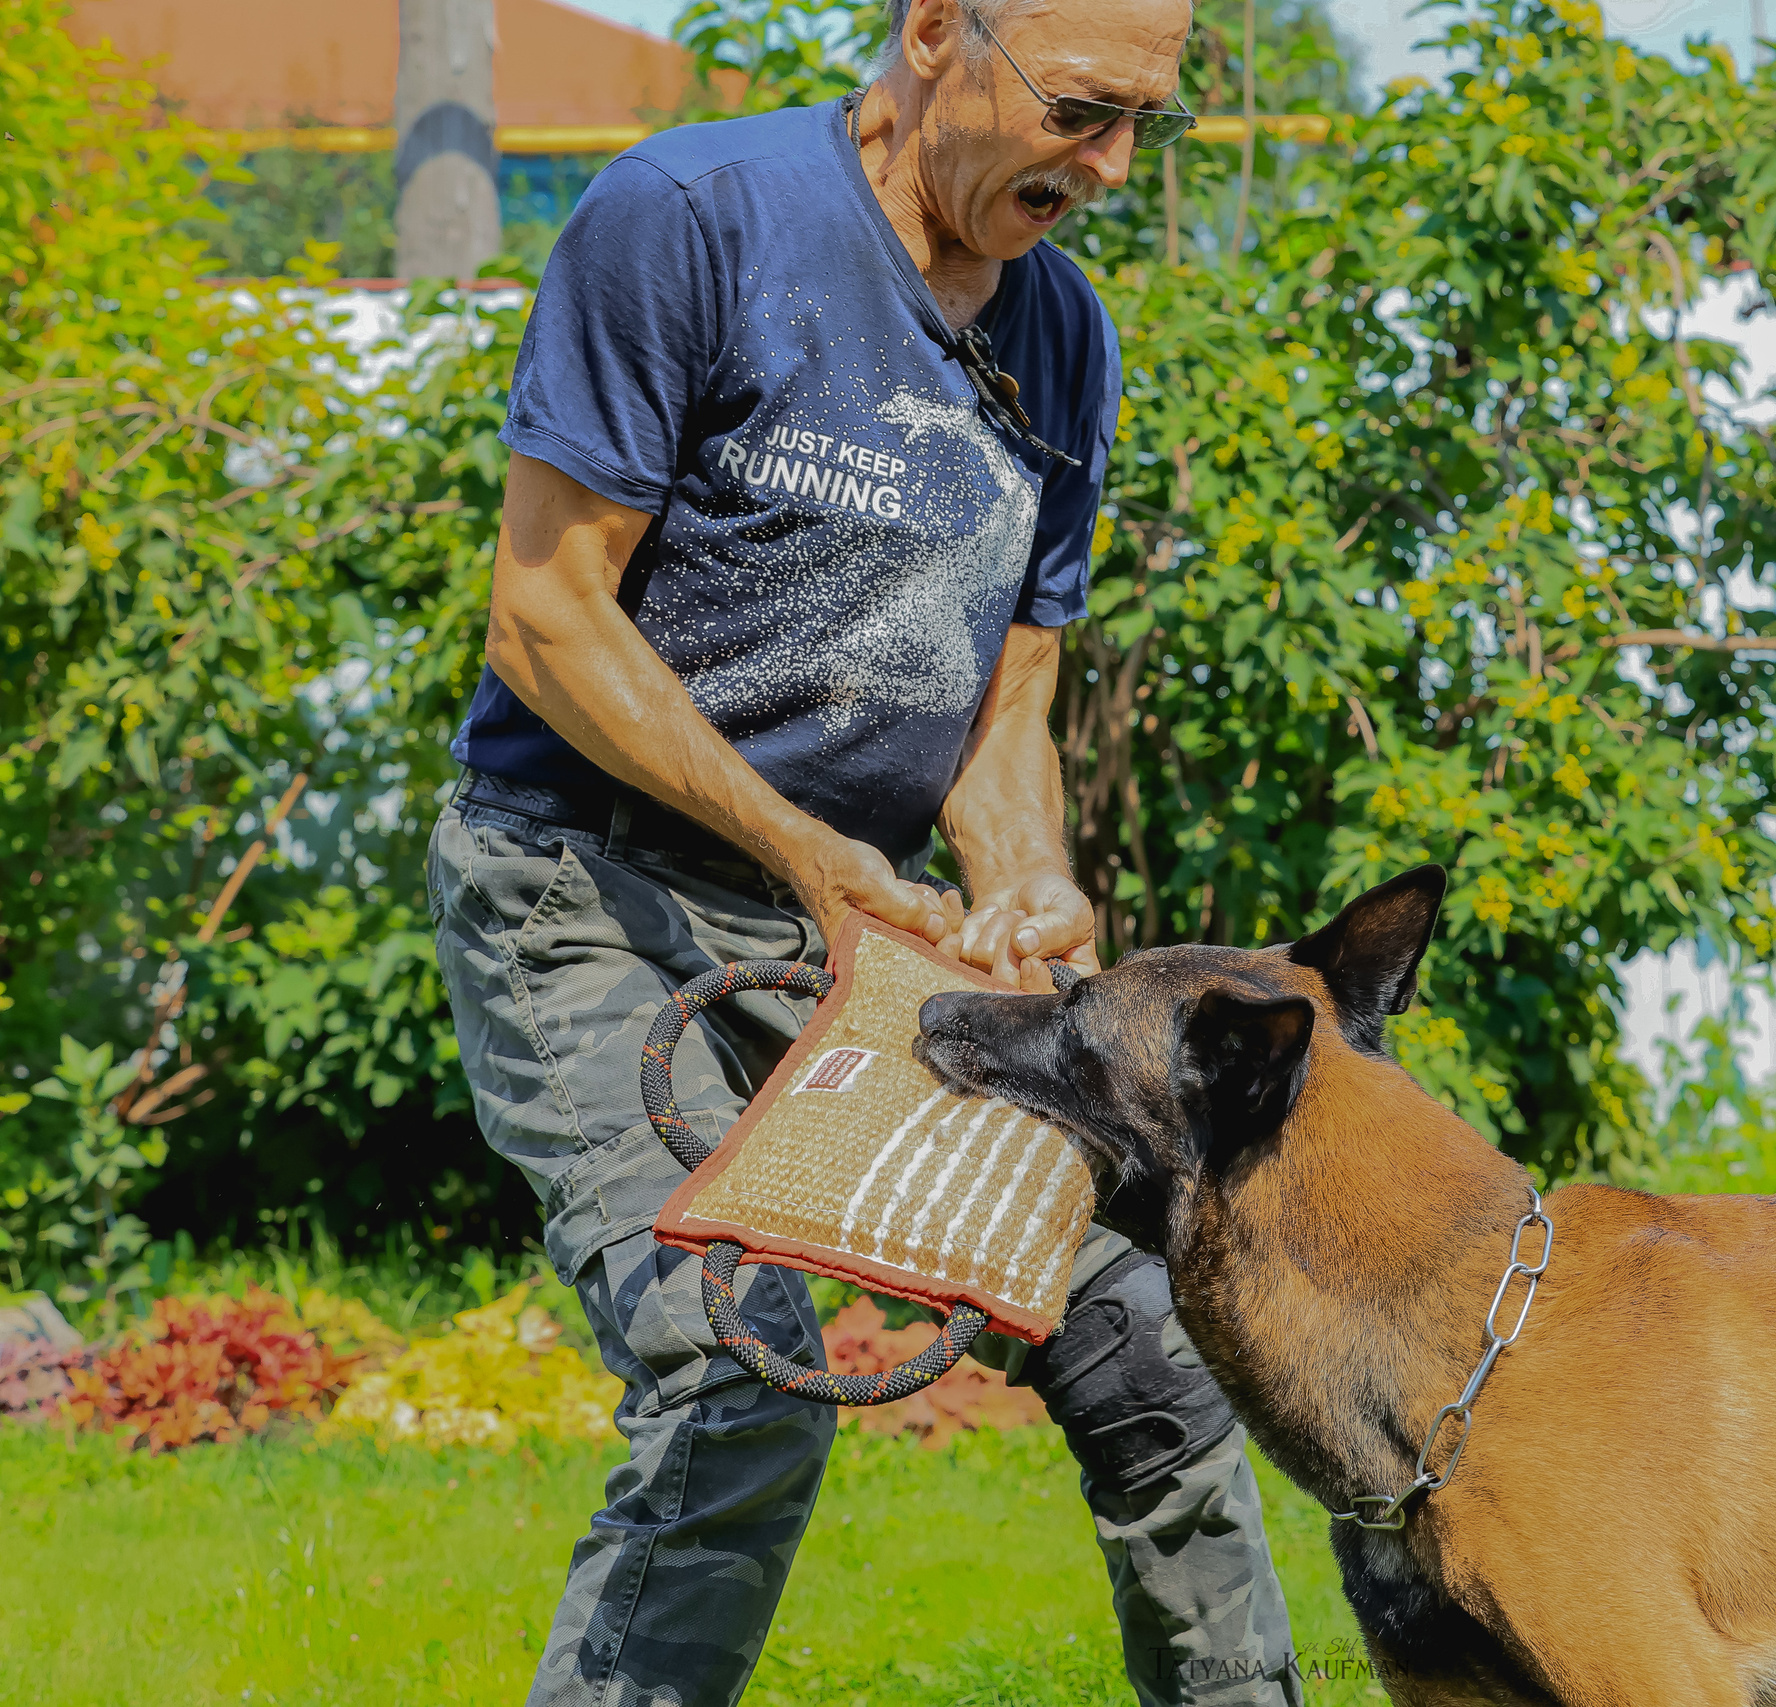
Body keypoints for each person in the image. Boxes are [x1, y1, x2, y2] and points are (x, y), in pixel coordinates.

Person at [424, 2, 1302, 1701]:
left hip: (864, 937)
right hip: (587, 899)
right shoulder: (690, 222)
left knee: (1151, 1354)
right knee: (731, 1378)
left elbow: (1005, 693)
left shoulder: (1063, 336)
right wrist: (813, 854)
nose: (1111, 167)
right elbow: (544, 618)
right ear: (928, 34)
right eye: (1079, 111)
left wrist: (1023, 875)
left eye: (1146, 127)